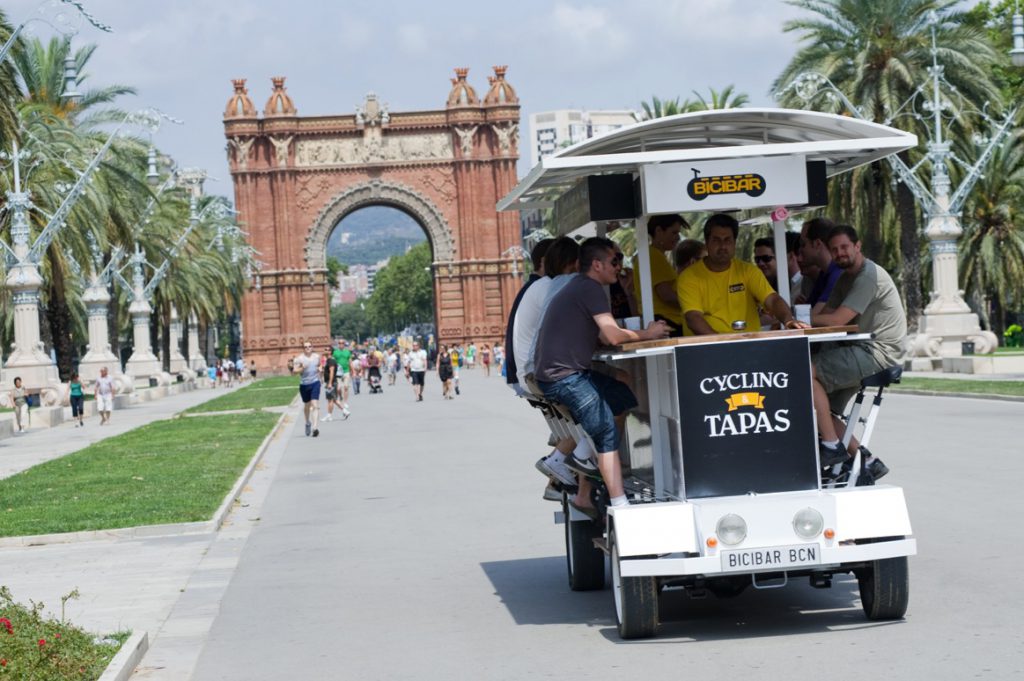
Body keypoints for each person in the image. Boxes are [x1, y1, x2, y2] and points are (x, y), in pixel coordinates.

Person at [533, 237, 670, 518]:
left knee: (620, 393)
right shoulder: (590, 288)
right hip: (564, 377)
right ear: (597, 265)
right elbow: (610, 334)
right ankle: (619, 503)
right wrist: (649, 333)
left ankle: (585, 456)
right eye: (614, 261)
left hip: (559, 374)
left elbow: (598, 336)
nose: (619, 267)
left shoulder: (581, 287)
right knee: (606, 429)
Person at [809, 225, 906, 479]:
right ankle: (867, 460)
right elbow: (824, 317)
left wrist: (794, 319)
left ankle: (831, 446)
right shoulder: (845, 278)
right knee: (821, 408)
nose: (840, 253)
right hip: (859, 348)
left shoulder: (867, 276)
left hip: (877, 352)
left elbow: (837, 320)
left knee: (804, 373)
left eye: (844, 247)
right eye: (835, 250)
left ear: (857, 246)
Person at [677, 213, 809, 336]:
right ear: (707, 243)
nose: (723, 246)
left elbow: (773, 300)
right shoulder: (688, 277)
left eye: (727, 240)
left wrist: (788, 321)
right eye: (716, 240)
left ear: (734, 243)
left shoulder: (748, 271)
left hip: (748, 347)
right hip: (706, 351)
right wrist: (721, 344)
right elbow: (693, 318)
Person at [504, 238, 555, 391]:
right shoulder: (544, 287)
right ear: (545, 261)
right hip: (533, 375)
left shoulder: (530, 287)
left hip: (523, 374)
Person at [633, 213, 686, 335]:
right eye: (674, 233)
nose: (678, 237)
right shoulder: (654, 256)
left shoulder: (651, 255)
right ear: (658, 231)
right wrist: (692, 302)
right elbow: (666, 294)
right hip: (667, 322)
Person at [799, 216, 844, 312]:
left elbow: (814, 315)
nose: (800, 250)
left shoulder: (838, 273)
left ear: (817, 244)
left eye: (803, 244)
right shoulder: (824, 274)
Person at [294, 341, 321, 437]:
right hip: (304, 385)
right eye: (305, 347)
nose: (308, 348)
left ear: (312, 347)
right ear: (303, 348)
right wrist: (302, 368)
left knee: (315, 404)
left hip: (315, 382)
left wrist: (320, 368)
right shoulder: (299, 359)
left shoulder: (317, 357)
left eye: (309, 346)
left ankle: (315, 428)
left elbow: (319, 365)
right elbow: (294, 372)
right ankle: (307, 423)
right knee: (307, 406)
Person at [322, 346, 345, 421]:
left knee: (330, 399)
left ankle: (329, 415)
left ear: (330, 352)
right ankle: (345, 411)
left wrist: (330, 383)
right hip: (330, 381)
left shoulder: (331, 360)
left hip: (331, 382)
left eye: (326, 350)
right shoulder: (328, 360)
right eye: (325, 349)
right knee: (333, 399)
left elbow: (332, 372)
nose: (324, 350)